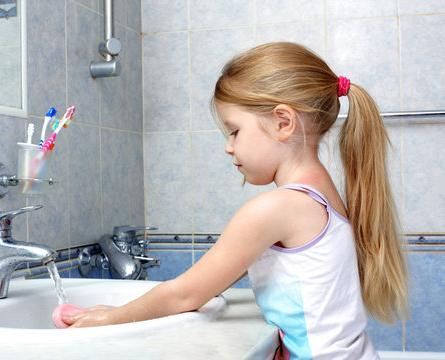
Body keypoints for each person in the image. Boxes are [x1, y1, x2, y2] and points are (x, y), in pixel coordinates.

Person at [53, 42, 409, 359]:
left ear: (284, 122)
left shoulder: (277, 208)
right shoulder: (323, 194)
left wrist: (110, 317)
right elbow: (216, 280)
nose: (229, 146)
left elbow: (184, 295)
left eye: (234, 130)